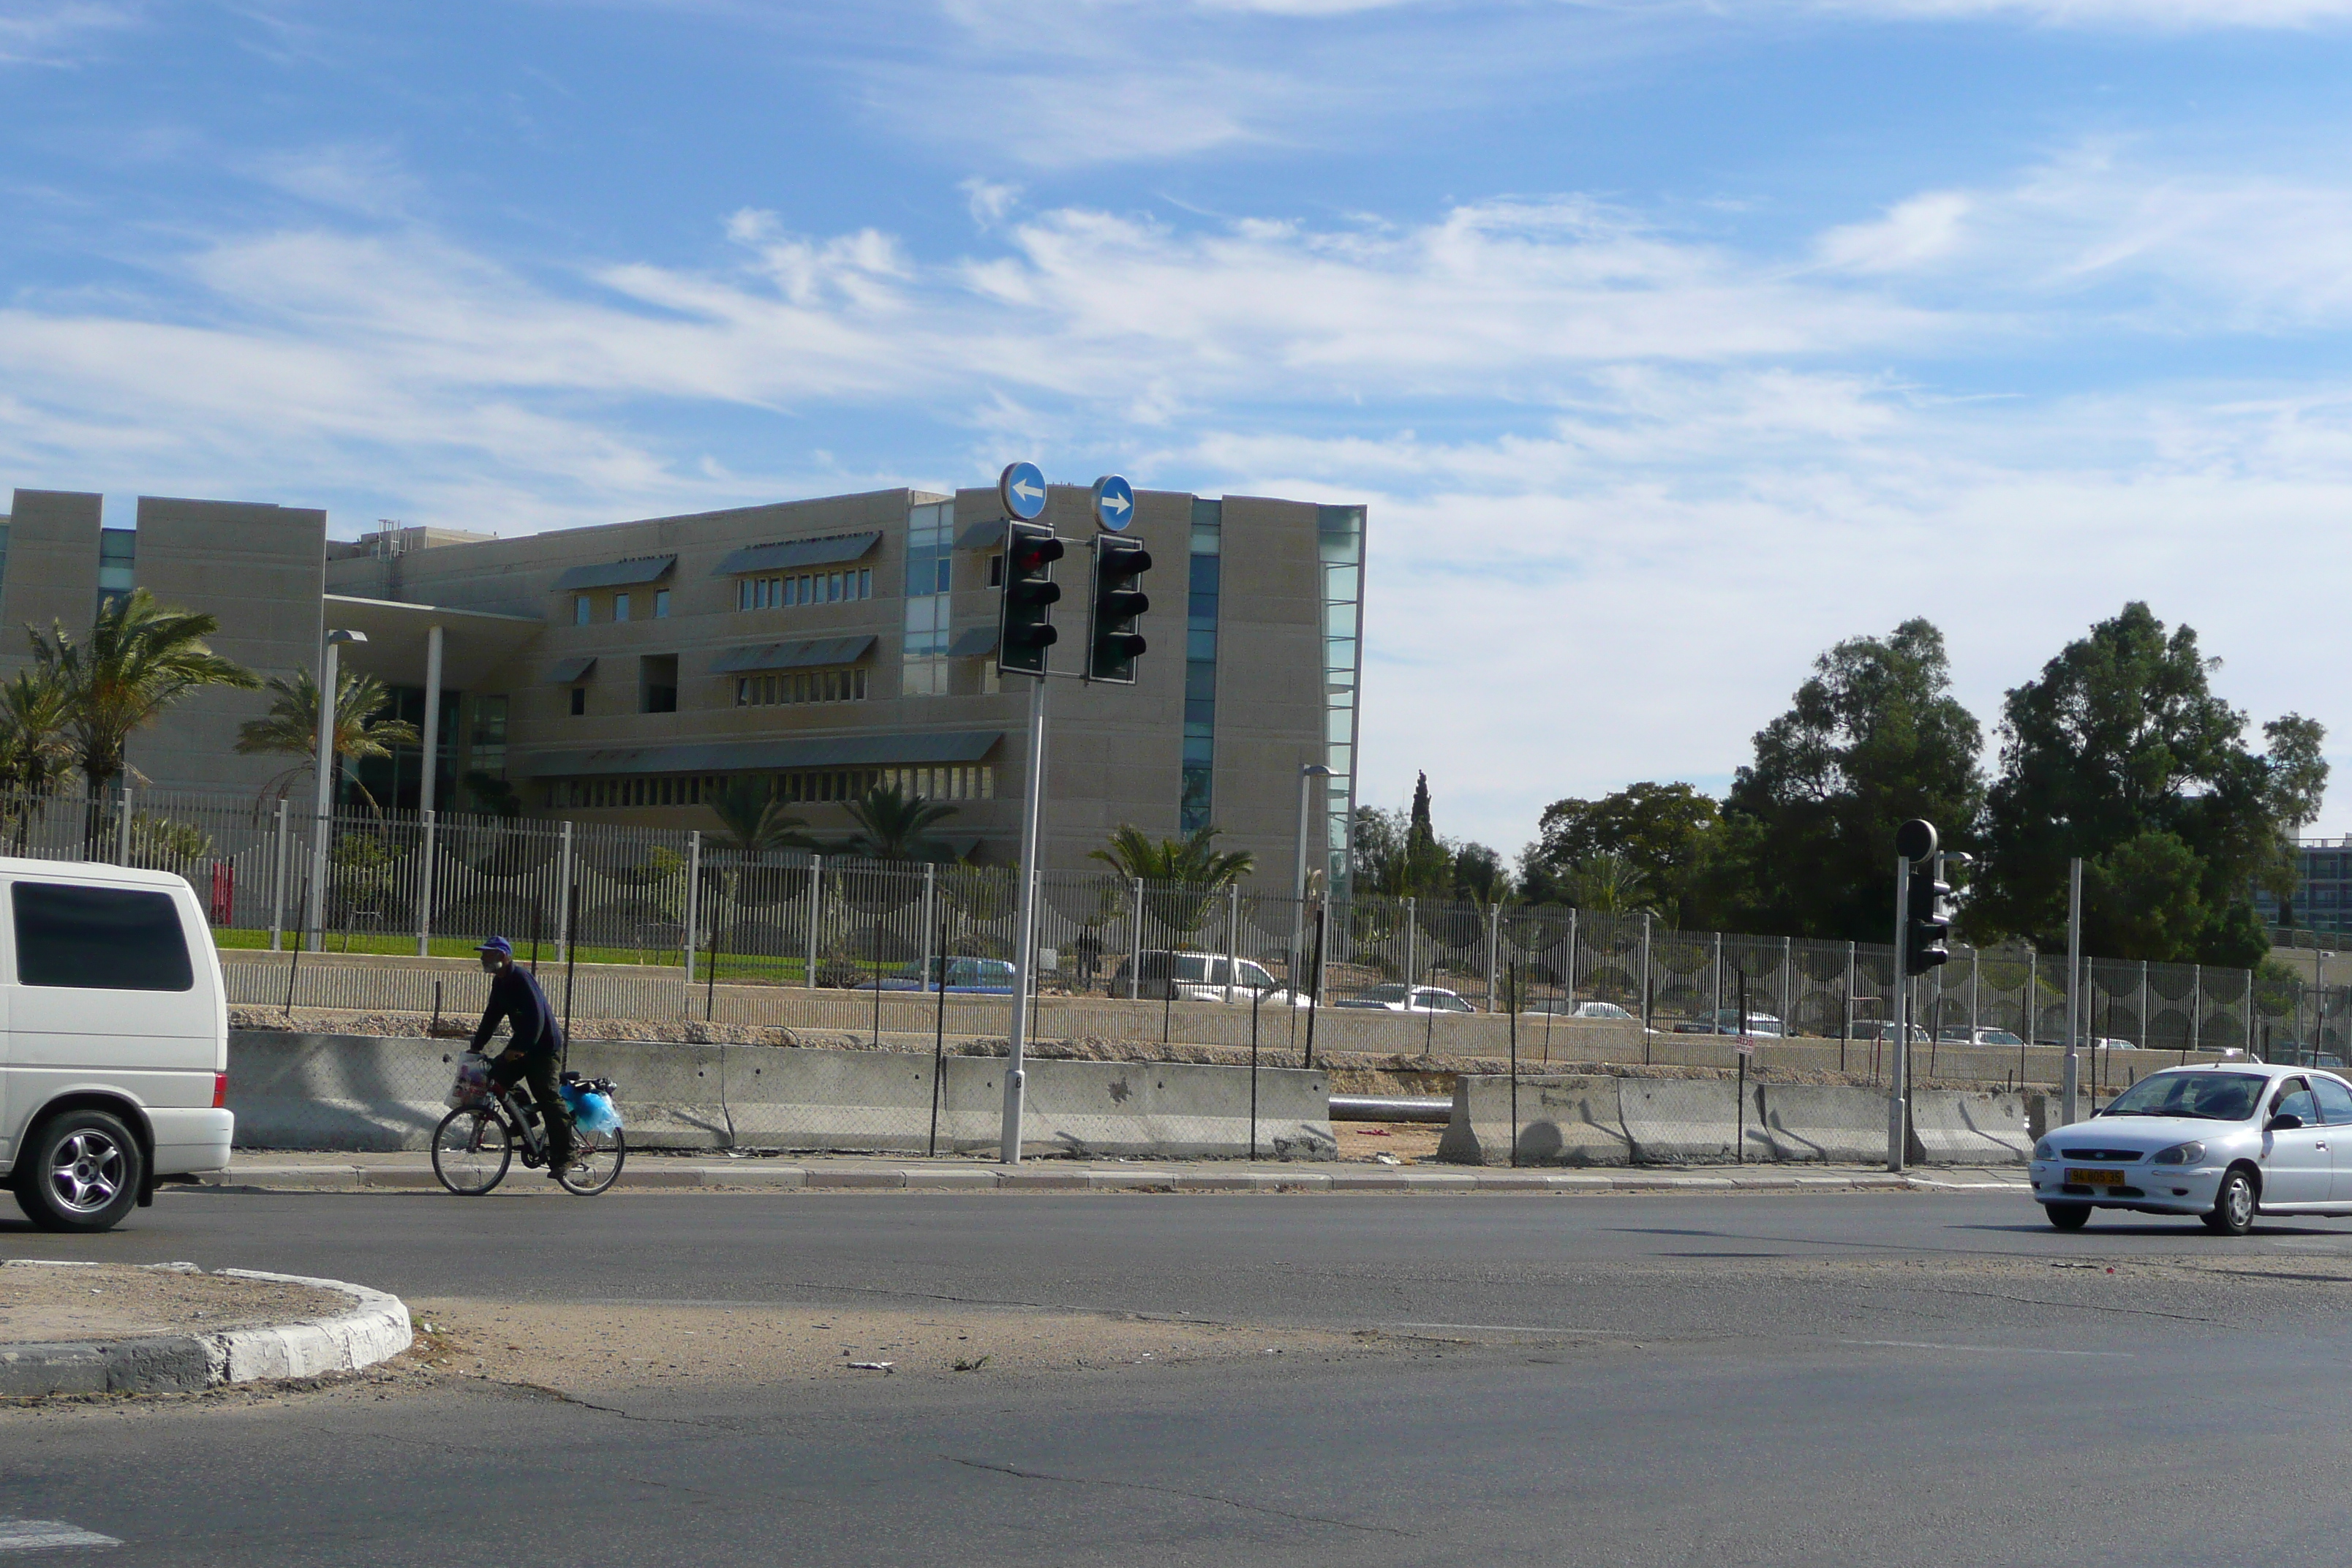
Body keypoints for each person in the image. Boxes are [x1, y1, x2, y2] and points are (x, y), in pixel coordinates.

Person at [470, 935, 573, 1176]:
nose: (483, 959)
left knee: (547, 1095)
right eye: (483, 954)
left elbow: (536, 1020)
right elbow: (492, 1016)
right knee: (496, 1076)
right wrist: (477, 1045)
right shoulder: (500, 983)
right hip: (524, 1045)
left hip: (545, 1047)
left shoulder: (521, 978)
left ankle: (567, 1153)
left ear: (503, 957)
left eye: (488, 954)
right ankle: (525, 1118)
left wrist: (520, 1049)